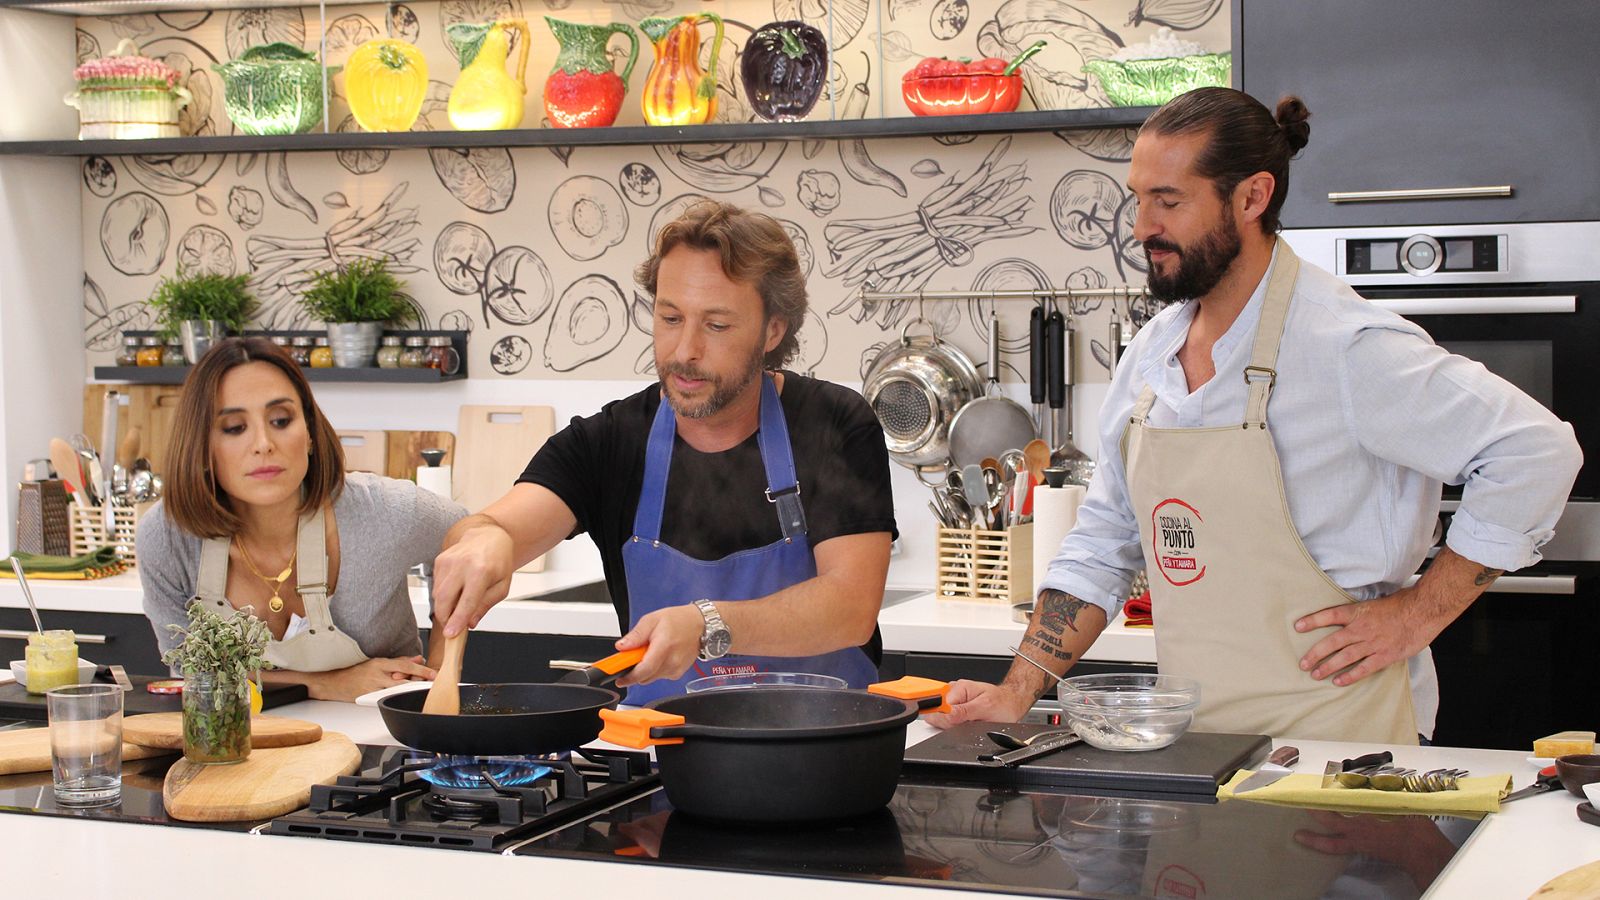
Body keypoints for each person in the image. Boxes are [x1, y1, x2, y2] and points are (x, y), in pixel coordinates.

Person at [932, 87, 1581, 743]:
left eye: (1169, 200)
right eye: (1139, 198)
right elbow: (1103, 544)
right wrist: (1016, 691)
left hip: (1345, 751)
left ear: (1250, 198)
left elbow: (1536, 453)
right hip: (1200, 745)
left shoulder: (1346, 346)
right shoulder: (1150, 361)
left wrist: (1418, 614)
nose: (1140, 226)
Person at [430, 201, 897, 703]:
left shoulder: (834, 425)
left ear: (773, 330)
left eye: (716, 325)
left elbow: (850, 606)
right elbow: (489, 529)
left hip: (822, 753)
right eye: (670, 317)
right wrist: (485, 540)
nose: (683, 351)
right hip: (660, 762)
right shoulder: (610, 442)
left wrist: (706, 625)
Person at [138, 337, 468, 701]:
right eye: (234, 427)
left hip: (381, 734)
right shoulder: (167, 536)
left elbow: (475, 538)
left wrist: (441, 670)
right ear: (201, 446)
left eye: (281, 420)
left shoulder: (383, 512)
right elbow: (191, 672)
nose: (263, 443)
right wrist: (325, 685)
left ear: (309, 432)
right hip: (239, 739)